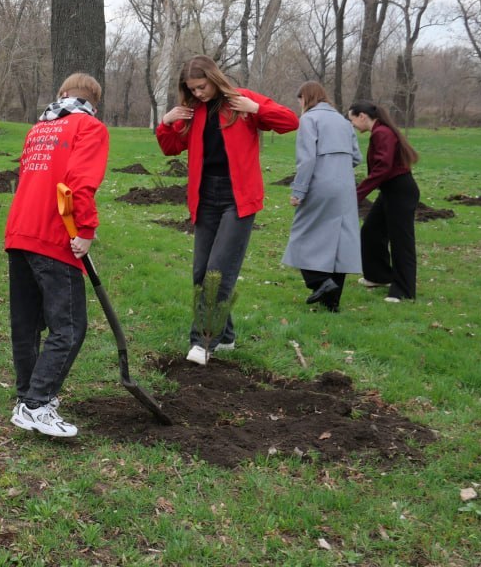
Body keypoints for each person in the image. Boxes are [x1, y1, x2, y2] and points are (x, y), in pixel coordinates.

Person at [155, 55, 299, 366]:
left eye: (201, 86)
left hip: (238, 199)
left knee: (218, 273)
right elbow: (170, 148)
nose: (197, 93)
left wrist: (257, 109)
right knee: (201, 273)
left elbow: (290, 121)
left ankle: (204, 342)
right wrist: (166, 123)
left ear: (214, 78)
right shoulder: (193, 112)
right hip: (205, 198)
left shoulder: (241, 101)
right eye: (191, 89)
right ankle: (227, 337)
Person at [3, 73, 109, 438]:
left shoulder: (40, 127)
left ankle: (26, 397)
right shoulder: (89, 127)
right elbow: (81, 183)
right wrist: (86, 230)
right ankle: (37, 404)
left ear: (61, 94)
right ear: (94, 101)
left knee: (27, 324)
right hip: (54, 235)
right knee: (70, 326)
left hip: (19, 231)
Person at [282, 82, 362, 312]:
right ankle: (332, 303)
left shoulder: (309, 120)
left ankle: (319, 281)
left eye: (299, 100)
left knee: (302, 233)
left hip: (320, 183)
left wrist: (298, 192)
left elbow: (307, 160)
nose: (299, 106)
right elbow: (356, 157)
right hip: (345, 186)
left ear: (306, 98)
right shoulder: (344, 122)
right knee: (340, 240)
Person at [348, 100, 420, 303]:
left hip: (400, 191)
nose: (352, 124)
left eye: (352, 119)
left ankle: (404, 291)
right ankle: (379, 277)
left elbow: (383, 167)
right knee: (371, 231)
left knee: (401, 242)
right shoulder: (380, 131)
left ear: (362, 116)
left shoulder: (382, 133)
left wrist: (358, 194)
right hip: (389, 191)